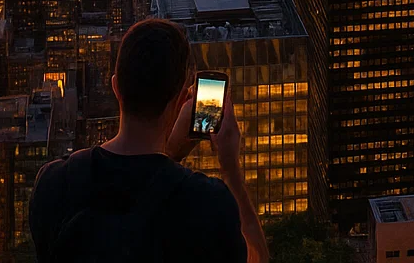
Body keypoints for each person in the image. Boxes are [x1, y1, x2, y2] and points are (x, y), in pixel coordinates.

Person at [28, 18, 269, 263]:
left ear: (116, 87)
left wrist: (170, 154)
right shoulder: (206, 204)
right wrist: (230, 169)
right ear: (180, 101)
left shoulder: (54, 183)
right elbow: (257, 257)